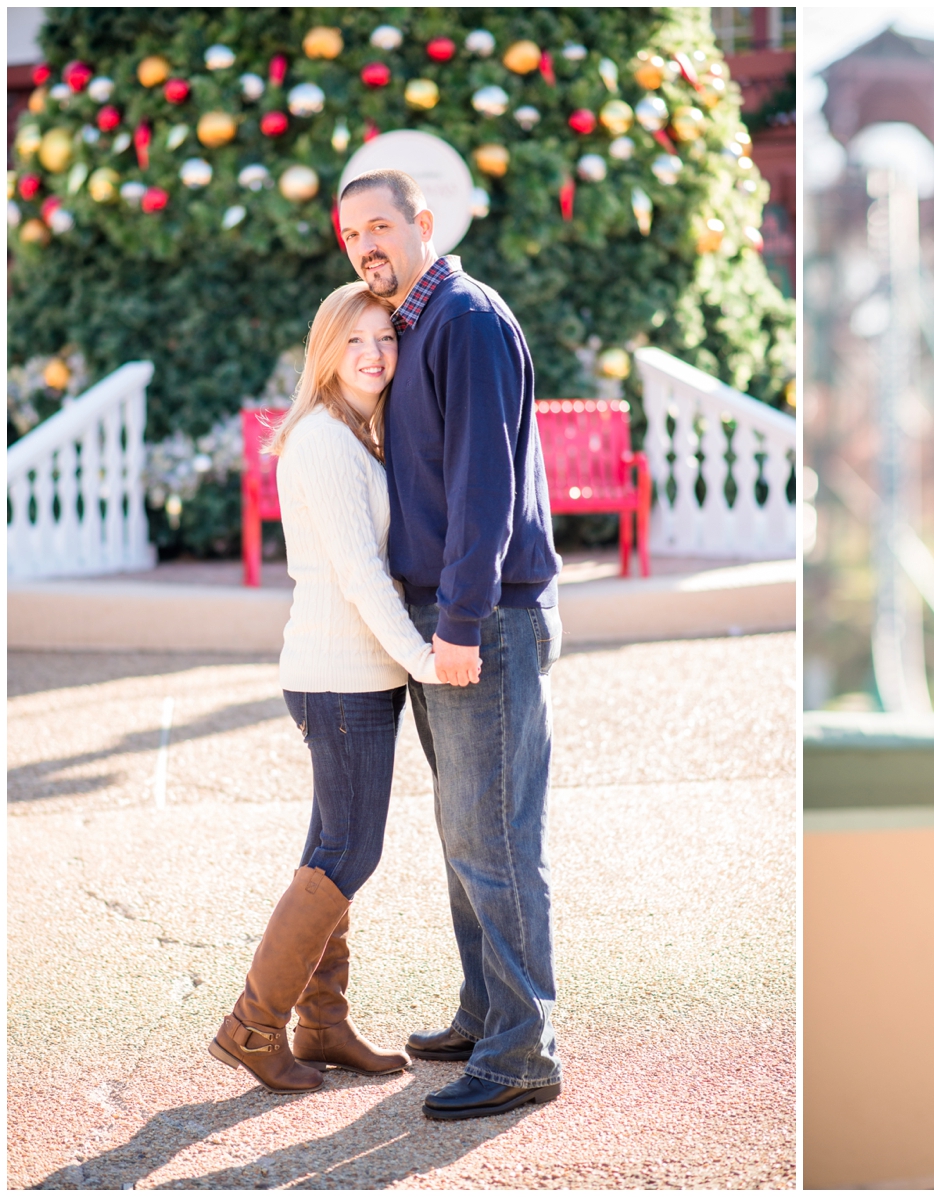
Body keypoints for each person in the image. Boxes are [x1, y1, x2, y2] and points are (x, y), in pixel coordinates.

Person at [336, 168, 566, 1122]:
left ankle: (522, 1051)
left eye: (381, 226)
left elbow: (484, 486)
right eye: (351, 235)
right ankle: (486, 1013)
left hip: (483, 621)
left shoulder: (466, 318)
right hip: (445, 618)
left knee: (496, 838)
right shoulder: (419, 325)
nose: (366, 247)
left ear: (424, 224)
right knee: (466, 831)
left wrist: (461, 621)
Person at [210, 282, 476, 1093]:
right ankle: (253, 1026)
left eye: (385, 340)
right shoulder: (326, 440)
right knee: (349, 851)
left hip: (354, 674)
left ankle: (321, 1024)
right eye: (355, 340)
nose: (374, 354)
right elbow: (362, 576)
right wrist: (427, 658)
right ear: (325, 351)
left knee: (328, 848)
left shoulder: (360, 433)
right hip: (339, 676)